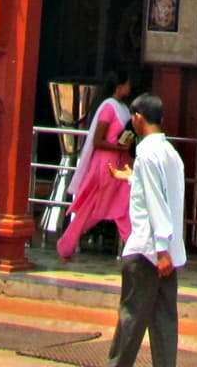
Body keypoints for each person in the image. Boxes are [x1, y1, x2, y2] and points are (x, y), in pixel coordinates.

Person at [108, 92, 183, 367]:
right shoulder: (170, 154)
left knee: (131, 318)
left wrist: (160, 248)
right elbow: (162, 192)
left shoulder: (146, 154)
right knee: (164, 321)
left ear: (138, 118)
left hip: (147, 251)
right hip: (168, 255)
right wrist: (131, 177)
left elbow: (156, 202)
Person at [56, 70, 134, 261]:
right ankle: (135, 250)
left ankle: (67, 243)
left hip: (119, 163)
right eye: (127, 84)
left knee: (111, 205)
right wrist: (118, 146)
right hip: (107, 165)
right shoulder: (109, 108)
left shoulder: (122, 107)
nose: (130, 87)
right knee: (117, 205)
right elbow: (98, 141)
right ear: (120, 86)